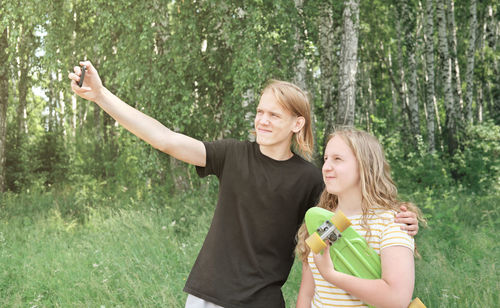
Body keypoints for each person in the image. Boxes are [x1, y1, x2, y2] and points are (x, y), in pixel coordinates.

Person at [68, 61, 419, 308]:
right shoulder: (232, 155)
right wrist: (101, 96)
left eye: (274, 115)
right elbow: (166, 139)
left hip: (262, 301)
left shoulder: (311, 177)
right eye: (260, 111)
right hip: (208, 294)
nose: (262, 120)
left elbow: (345, 219)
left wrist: (401, 218)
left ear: (297, 124)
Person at [295, 128, 424, 308]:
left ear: (364, 165)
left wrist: (332, 275)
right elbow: (308, 292)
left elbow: (397, 299)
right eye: (325, 159)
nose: (326, 167)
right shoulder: (326, 223)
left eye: (337, 159)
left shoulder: (392, 222)